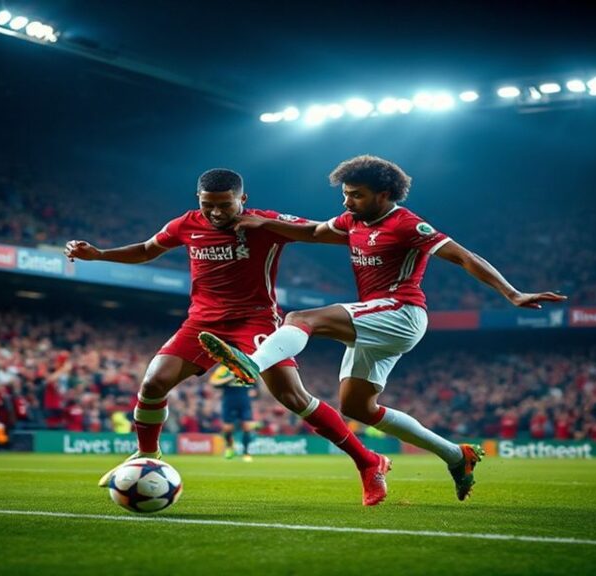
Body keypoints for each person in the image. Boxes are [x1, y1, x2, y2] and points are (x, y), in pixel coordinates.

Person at [199, 155, 567, 501]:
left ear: (384, 194)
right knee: (357, 406)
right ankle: (457, 455)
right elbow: (313, 232)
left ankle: (251, 364)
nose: (347, 203)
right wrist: (265, 223)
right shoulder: (352, 221)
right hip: (376, 317)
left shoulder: (407, 224)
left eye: (356, 195)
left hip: (402, 312)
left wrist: (512, 292)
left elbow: (465, 257)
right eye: (345, 195)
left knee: (299, 319)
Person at [65, 168, 391, 505]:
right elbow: (147, 250)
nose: (217, 212)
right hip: (202, 323)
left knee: (293, 397)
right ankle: (147, 456)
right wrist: (100, 255)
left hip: (256, 321)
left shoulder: (263, 222)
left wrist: (268, 225)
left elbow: (322, 233)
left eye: (225, 205)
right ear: (198, 200)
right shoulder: (185, 224)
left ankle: (368, 461)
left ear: (242, 199)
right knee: (152, 383)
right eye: (209, 205)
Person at [209, 365, 256, 462]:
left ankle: (246, 452)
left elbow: (255, 385)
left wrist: (254, 390)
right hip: (229, 401)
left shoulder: (246, 367)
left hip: (244, 401)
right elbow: (213, 382)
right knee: (227, 428)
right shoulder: (224, 369)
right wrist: (230, 378)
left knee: (247, 426)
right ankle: (229, 447)